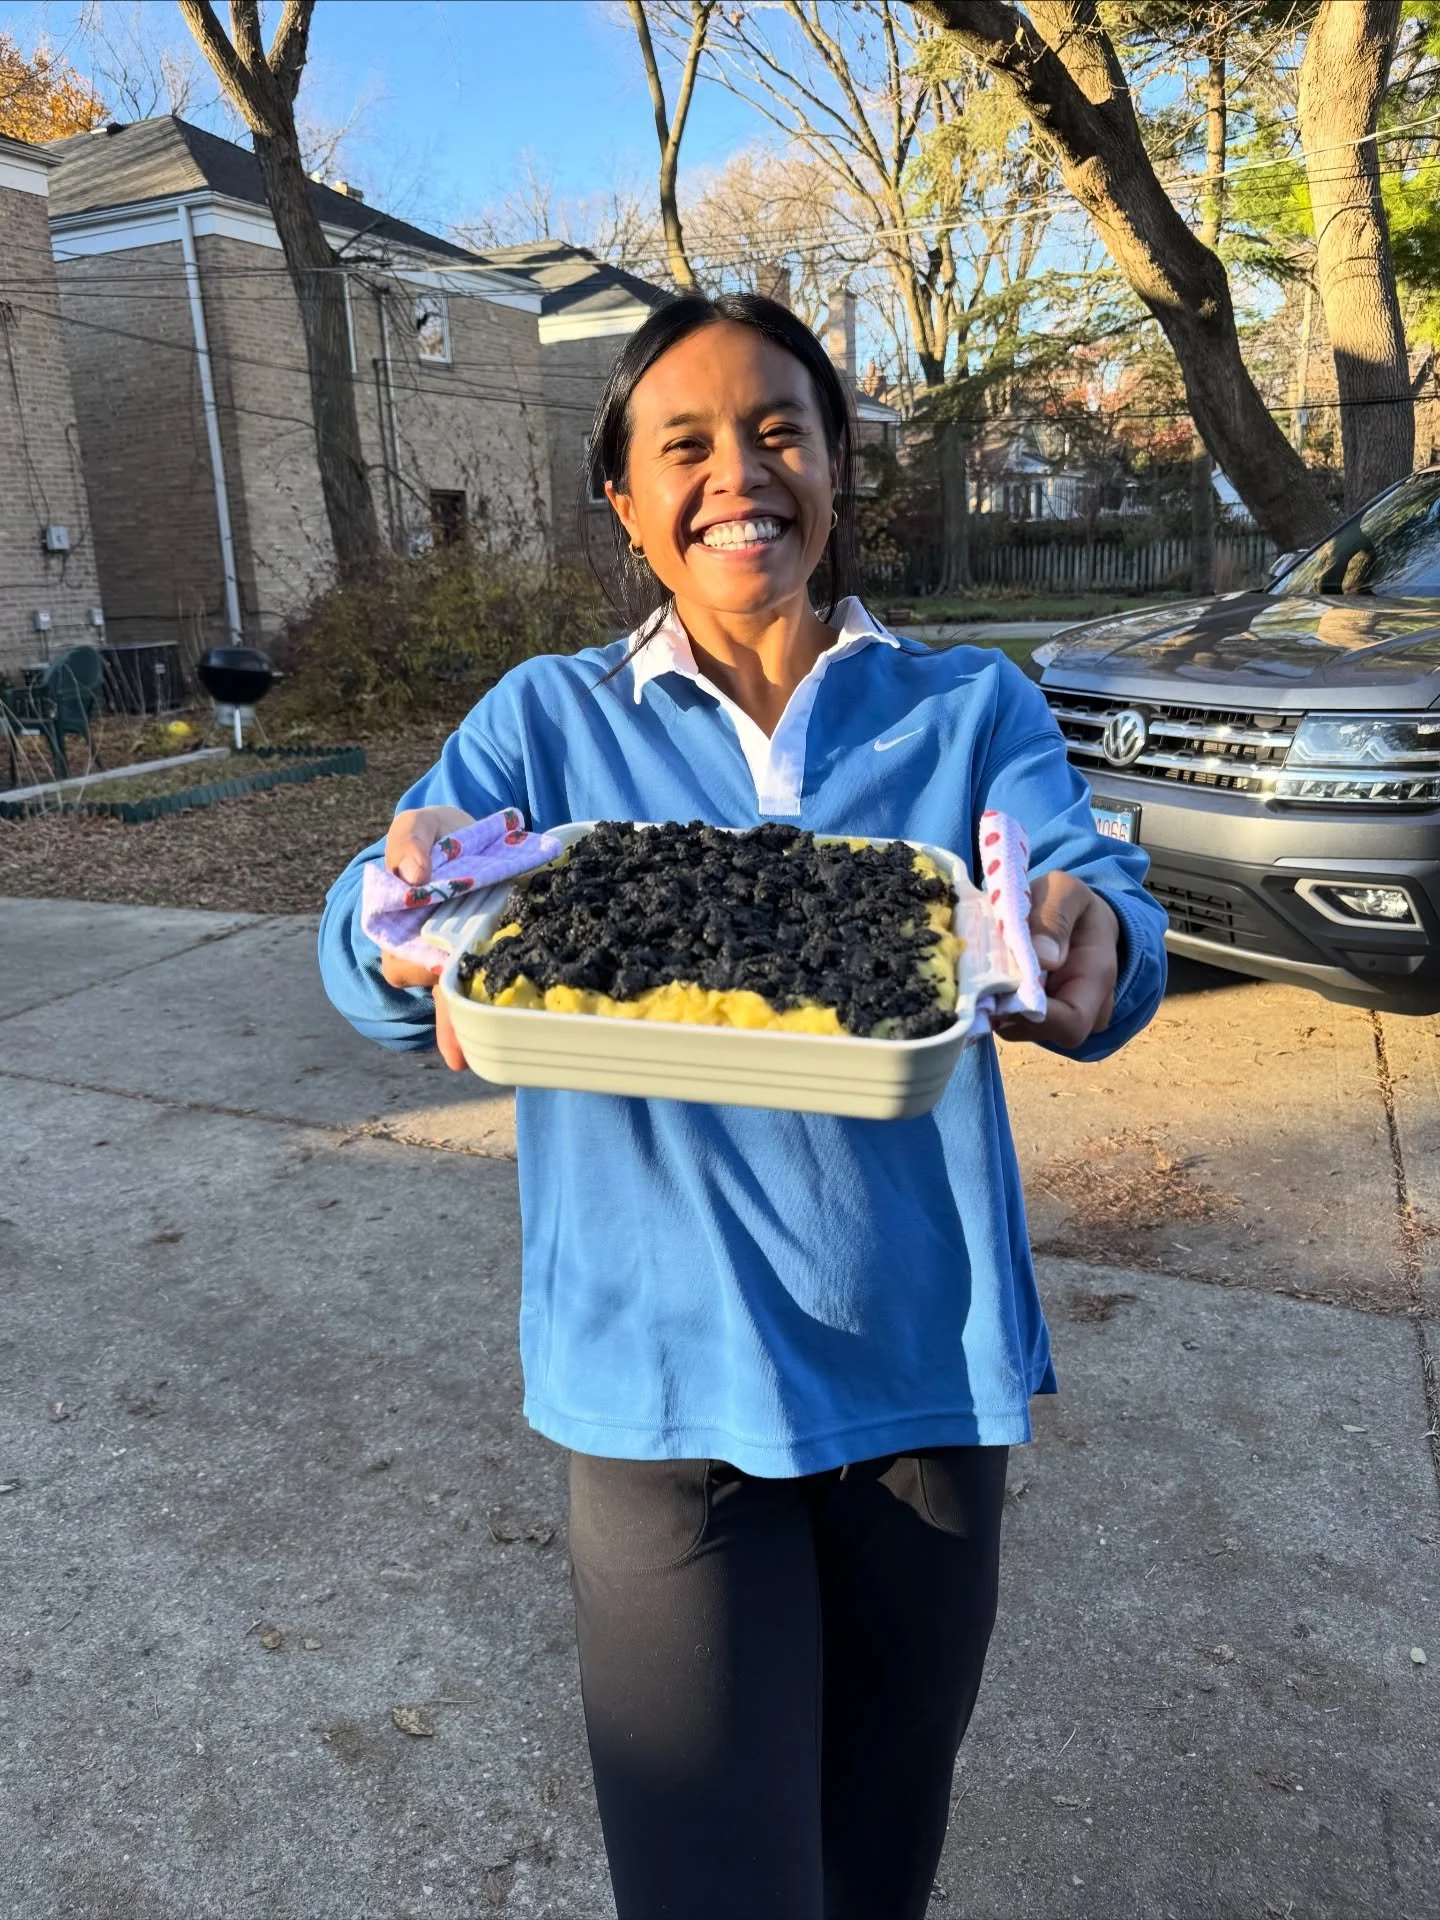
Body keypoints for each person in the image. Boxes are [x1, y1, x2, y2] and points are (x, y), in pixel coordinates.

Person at [319, 292, 1167, 1920]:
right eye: (685, 445)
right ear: (624, 500)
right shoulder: (547, 725)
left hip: (925, 1384)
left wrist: (1095, 941)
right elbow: (376, 938)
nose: (740, 474)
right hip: (658, 1397)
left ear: (839, 464)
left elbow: (1082, 892)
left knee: (874, 1868)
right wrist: (395, 911)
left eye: (781, 431)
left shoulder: (965, 707)